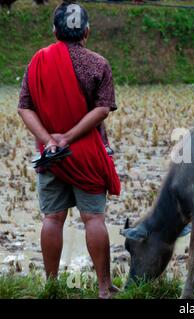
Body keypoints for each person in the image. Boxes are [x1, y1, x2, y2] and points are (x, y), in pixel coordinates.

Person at [18, 2, 121, 299]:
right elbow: (102, 108)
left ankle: (51, 286)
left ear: (54, 31)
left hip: (52, 156)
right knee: (94, 219)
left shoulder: (37, 62)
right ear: (86, 31)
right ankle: (104, 288)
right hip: (88, 153)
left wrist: (49, 140)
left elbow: (24, 107)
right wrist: (70, 136)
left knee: (52, 218)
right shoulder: (99, 63)